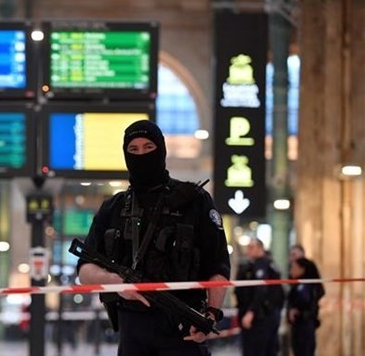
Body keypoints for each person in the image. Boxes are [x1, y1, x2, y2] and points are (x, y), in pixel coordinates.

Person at [76, 119, 231, 355]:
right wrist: (117, 283)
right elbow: (84, 270)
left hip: (184, 326)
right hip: (132, 329)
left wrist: (211, 315)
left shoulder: (195, 201)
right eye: (133, 149)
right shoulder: (113, 208)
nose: (141, 155)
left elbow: (218, 264)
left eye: (149, 147)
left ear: (162, 150)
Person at [234, 238, 285, 356]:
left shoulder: (261, 264)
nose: (248, 251)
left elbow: (261, 290)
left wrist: (251, 312)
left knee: (256, 349)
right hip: (268, 315)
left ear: (260, 248)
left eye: (251, 247)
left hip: (261, 317)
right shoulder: (269, 264)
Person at [287, 257, 324, 356]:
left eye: (294, 267)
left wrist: (296, 311)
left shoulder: (306, 286)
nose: (292, 270)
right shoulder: (298, 285)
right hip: (299, 325)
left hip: (305, 324)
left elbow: (305, 302)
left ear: (302, 269)